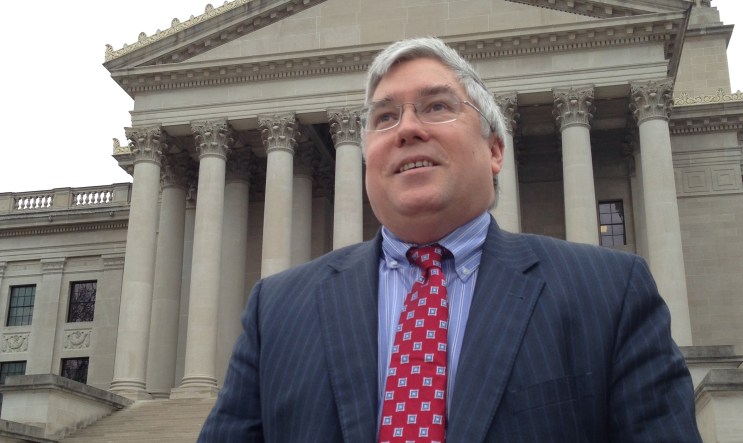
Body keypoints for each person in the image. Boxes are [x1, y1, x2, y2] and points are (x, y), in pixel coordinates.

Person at [198, 37, 702, 442]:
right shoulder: (276, 310)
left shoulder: (609, 294)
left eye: (436, 106)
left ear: (495, 150)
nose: (407, 129)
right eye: (384, 117)